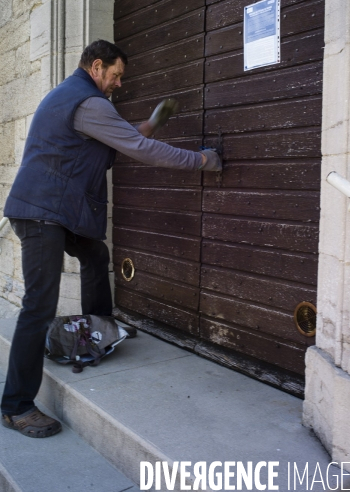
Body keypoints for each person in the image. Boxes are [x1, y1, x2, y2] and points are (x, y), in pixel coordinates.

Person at [1, 39, 221, 438]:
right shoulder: (88, 103)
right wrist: (201, 161)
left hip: (51, 211)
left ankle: (98, 329)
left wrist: (152, 123)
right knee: (38, 306)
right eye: (116, 75)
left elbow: (122, 137)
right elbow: (138, 148)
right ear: (97, 66)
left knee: (93, 252)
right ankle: (16, 406)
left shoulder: (76, 98)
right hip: (42, 215)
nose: (119, 83)